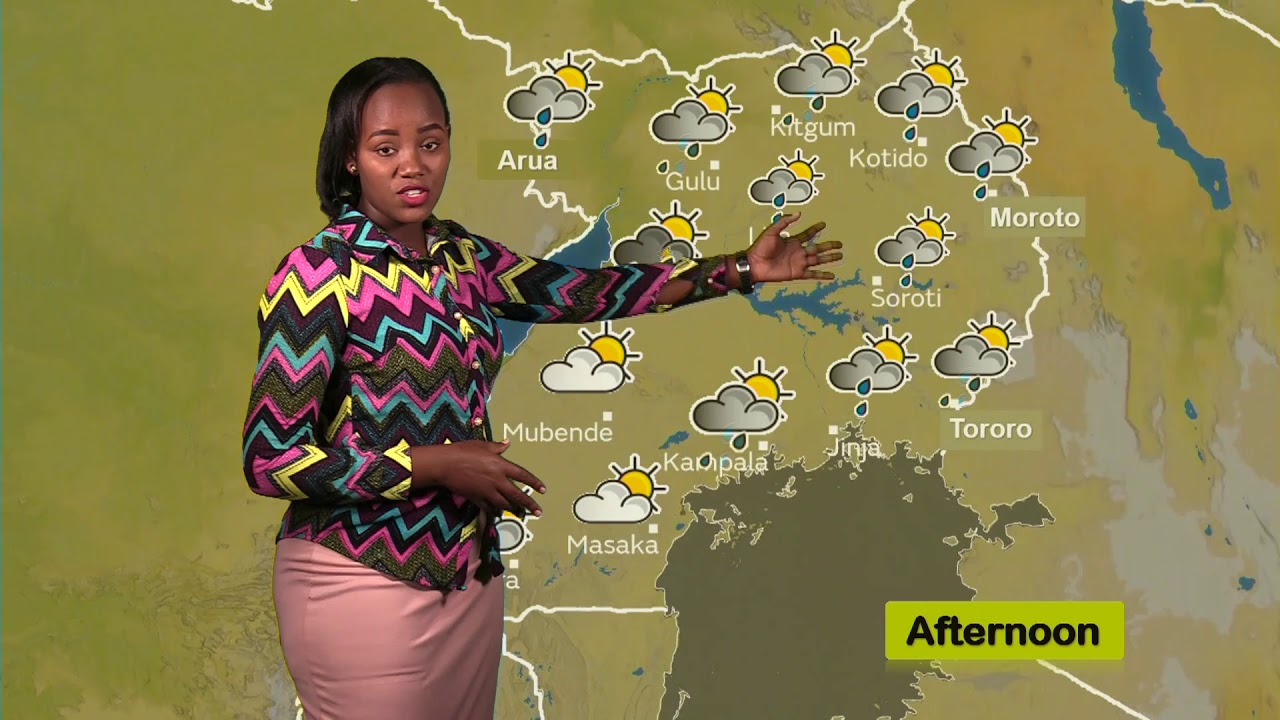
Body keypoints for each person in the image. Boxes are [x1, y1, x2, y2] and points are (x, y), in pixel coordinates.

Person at [241, 56, 842, 720]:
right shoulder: (317, 273)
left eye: (430, 143)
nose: (413, 165)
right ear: (349, 158)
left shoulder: (463, 258)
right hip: (358, 579)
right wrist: (433, 465)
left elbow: (585, 292)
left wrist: (735, 271)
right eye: (387, 148)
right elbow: (271, 459)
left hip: (468, 577)